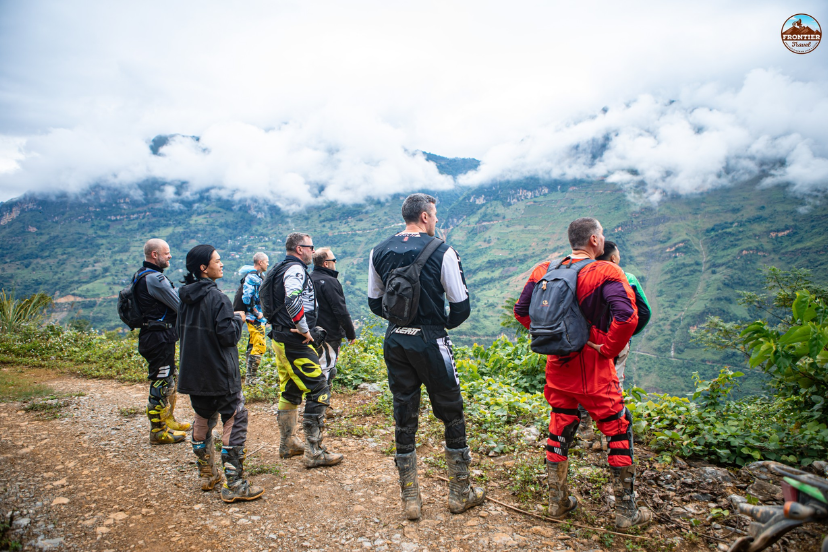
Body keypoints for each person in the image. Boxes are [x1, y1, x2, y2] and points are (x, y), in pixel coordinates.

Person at [513, 217, 651, 528]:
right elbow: (628, 318)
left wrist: (555, 340)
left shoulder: (544, 269)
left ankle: (557, 502)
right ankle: (625, 513)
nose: (603, 239)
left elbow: (522, 312)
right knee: (617, 428)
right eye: (601, 234)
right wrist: (607, 348)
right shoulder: (605, 271)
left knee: (560, 423)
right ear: (593, 241)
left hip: (557, 365)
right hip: (593, 367)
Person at [368, 193, 485, 520]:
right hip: (431, 342)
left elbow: (375, 303)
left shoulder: (378, 250)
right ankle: (460, 492)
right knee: (452, 411)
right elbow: (461, 306)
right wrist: (434, 325)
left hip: (395, 340)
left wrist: (402, 323)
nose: (436, 221)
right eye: (434, 216)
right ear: (423, 217)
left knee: (404, 411)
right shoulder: (443, 251)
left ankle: (411, 499)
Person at [177, 245, 264, 503]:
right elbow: (228, 337)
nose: (222, 264)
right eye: (217, 260)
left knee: (202, 418)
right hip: (219, 373)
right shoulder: (218, 299)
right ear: (204, 268)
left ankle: (207, 474)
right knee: (234, 418)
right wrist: (238, 320)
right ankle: (235, 483)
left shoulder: (183, 297)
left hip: (193, 373)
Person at [268, 233, 343, 468]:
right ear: (300, 249)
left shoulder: (278, 268)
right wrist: (304, 329)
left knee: (290, 389)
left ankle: (288, 443)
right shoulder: (296, 270)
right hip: (294, 342)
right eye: (310, 247)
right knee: (319, 388)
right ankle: (315, 451)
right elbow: (292, 299)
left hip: (280, 337)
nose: (313, 251)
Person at [577, 240, 652, 448]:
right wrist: (624, 336)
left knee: (585, 381)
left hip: (587, 341)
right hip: (614, 341)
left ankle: (585, 429)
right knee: (613, 385)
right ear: (613, 258)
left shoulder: (582, 274)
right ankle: (608, 435)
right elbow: (644, 313)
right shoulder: (627, 278)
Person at [135, 238, 189, 445]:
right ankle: (158, 431)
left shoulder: (141, 275)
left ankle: (167, 420)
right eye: (166, 253)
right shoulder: (155, 279)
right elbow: (178, 306)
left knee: (168, 379)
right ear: (154, 255)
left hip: (156, 336)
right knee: (161, 381)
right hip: (158, 337)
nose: (170, 256)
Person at [310, 247, 357, 400]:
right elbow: (340, 310)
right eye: (334, 260)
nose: (335, 263)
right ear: (326, 264)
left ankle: (315, 403)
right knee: (326, 369)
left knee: (314, 367)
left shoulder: (308, 279)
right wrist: (350, 333)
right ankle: (319, 406)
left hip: (310, 332)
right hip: (328, 334)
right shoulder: (330, 282)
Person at [239, 252, 269, 384]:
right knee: (259, 346)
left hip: (257, 318)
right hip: (255, 318)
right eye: (266, 261)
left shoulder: (257, 276)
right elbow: (247, 297)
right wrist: (257, 313)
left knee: (252, 345)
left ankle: (249, 377)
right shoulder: (252, 278)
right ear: (260, 262)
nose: (268, 264)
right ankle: (251, 379)